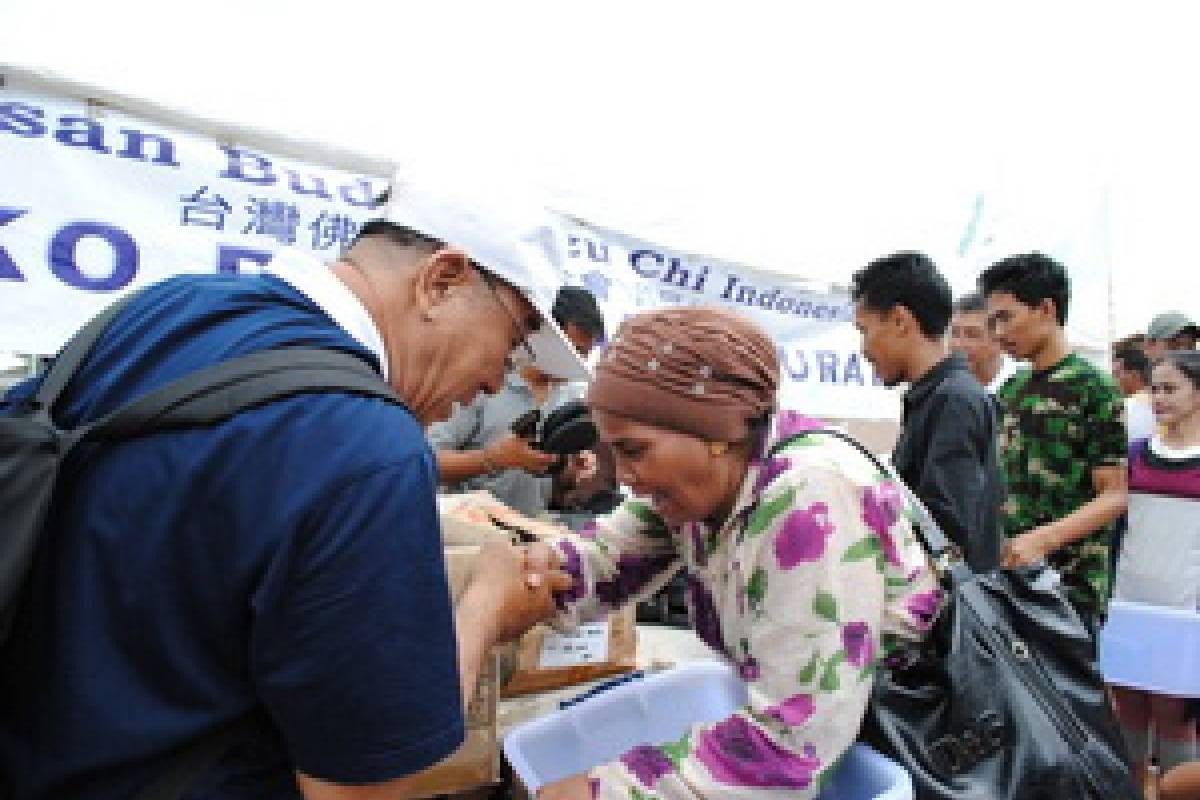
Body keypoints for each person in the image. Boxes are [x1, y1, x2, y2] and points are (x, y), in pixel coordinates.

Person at [0, 173, 583, 798]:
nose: (500, 380)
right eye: (515, 338)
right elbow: (362, 787)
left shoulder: (165, 308)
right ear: (442, 280)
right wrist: (486, 611)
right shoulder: (365, 445)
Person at [528, 307, 943, 799]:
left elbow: (787, 750)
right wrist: (531, 572)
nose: (620, 476)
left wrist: (602, 790)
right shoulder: (701, 493)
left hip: (906, 757)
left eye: (635, 450)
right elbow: (604, 561)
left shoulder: (810, 499)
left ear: (717, 435)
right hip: (834, 744)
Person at [979, 252, 1127, 629]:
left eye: (1005, 318)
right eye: (992, 321)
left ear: (1046, 309)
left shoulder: (1093, 388)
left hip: (1069, 590)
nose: (998, 333)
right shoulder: (1010, 390)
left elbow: (1115, 494)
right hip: (1010, 579)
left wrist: (1044, 540)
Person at [851, 252, 1002, 572]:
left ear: (900, 321)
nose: (864, 349)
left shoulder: (953, 400)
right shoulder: (937, 395)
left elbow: (945, 530)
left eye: (864, 330)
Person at [429, 286, 605, 516]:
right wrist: (493, 459)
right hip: (469, 532)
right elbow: (429, 463)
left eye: (585, 354)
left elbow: (553, 484)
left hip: (530, 533)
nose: (577, 362)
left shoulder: (569, 397)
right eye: (574, 351)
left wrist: (570, 470)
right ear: (543, 334)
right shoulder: (482, 382)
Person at [1108, 351, 1200, 788]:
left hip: (1185, 613)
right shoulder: (1135, 455)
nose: (1159, 397)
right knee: (1126, 714)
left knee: (1176, 722)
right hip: (1129, 605)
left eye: (1171, 388)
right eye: (1156, 388)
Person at [949, 292, 1018, 392]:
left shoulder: (1024, 385)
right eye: (954, 333)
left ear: (1000, 339)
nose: (958, 344)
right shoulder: (941, 386)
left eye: (972, 335)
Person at [1112, 344, 1156, 443]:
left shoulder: (1125, 407)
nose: (1113, 380)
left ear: (1134, 375)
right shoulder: (1164, 402)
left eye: (1116, 374)